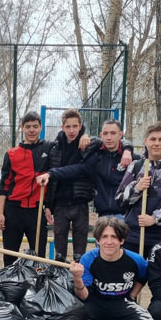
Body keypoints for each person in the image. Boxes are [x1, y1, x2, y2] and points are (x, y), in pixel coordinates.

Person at [69, 217, 154, 320]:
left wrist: (132, 296)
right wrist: (77, 278)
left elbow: (143, 277)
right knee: (70, 316)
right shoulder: (88, 259)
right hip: (95, 303)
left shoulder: (136, 260)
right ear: (97, 240)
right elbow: (84, 296)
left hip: (122, 303)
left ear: (122, 240)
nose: (109, 242)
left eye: (114, 237)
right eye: (104, 237)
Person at [116, 121, 161, 257]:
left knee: (158, 277)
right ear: (146, 141)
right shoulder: (135, 166)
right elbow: (119, 200)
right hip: (133, 236)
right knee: (132, 276)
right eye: (153, 139)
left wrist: (155, 219)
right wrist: (136, 189)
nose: (156, 143)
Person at [37, 119, 136, 219]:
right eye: (105, 133)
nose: (109, 137)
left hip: (126, 215)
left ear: (120, 134)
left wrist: (128, 150)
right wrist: (50, 174)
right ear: (101, 135)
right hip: (103, 215)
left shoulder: (132, 159)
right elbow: (76, 169)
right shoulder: (96, 157)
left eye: (113, 133)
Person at [0, 111, 52, 266]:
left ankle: (37, 284)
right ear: (22, 128)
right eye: (28, 127)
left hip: (36, 210)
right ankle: (9, 285)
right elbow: (4, 186)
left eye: (35, 126)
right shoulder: (11, 153)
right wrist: (1, 213)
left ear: (40, 127)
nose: (32, 130)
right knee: (10, 254)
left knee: (39, 255)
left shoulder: (48, 148)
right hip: (13, 210)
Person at [44, 108, 93, 261]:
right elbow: (51, 181)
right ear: (62, 127)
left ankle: (80, 282)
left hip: (80, 202)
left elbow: (100, 143)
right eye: (68, 127)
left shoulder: (87, 145)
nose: (72, 130)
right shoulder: (55, 148)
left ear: (80, 126)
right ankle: (59, 280)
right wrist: (48, 205)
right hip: (60, 205)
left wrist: (87, 137)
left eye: (75, 126)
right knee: (59, 252)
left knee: (80, 252)